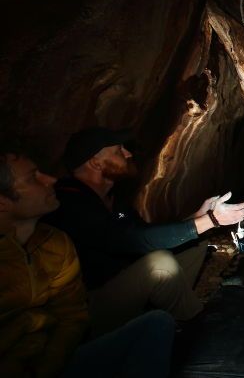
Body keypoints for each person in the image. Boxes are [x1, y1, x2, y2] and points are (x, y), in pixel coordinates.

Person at [46, 127, 244, 335]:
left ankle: (166, 318)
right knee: (160, 264)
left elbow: (146, 234)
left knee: (195, 244)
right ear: (95, 163)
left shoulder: (114, 200)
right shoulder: (69, 202)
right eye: (119, 151)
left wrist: (199, 217)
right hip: (90, 308)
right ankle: (201, 332)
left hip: (125, 286)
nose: (128, 154)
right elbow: (129, 240)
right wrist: (212, 220)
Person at [0, 149, 175, 378]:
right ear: (2, 203)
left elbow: (72, 315)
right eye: (33, 177)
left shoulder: (55, 243)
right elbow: (121, 239)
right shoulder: (76, 202)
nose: (51, 180)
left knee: (157, 324)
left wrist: (49, 365)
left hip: (53, 360)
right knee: (161, 263)